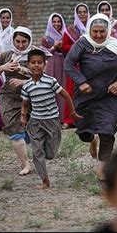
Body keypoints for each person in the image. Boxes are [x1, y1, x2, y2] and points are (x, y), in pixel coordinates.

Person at [64, 13, 117, 180]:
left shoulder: (116, 45)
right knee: (84, 131)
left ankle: (102, 168)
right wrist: (81, 81)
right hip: (85, 96)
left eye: (102, 31)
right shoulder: (82, 43)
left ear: (108, 30)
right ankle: (92, 141)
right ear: (89, 29)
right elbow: (68, 64)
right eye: (95, 31)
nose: (98, 35)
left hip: (108, 96)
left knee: (107, 130)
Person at [0, 26, 45, 176]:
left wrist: (23, 77)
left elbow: (44, 77)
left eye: (24, 41)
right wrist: (3, 67)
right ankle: (25, 164)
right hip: (9, 97)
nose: (20, 45)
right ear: (13, 40)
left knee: (34, 130)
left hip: (32, 96)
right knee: (14, 129)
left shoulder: (36, 55)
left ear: (29, 40)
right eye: (17, 41)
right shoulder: (7, 55)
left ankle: (39, 157)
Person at [21, 49, 82, 189]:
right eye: (33, 63)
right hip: (35, 122)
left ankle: (46, 153)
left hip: (52, 121)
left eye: (39, 63)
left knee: (50, 153)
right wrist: (23, 117)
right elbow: (24, 104)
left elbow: (66, 95)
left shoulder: (50, 81)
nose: (36, 65)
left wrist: (72, 112)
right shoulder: (27, 86)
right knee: (37, 153)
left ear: (45, 64)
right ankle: (45, 180)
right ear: (28, 65)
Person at [61, 3, 90, 129]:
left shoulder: (92, 27)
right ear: (76, 14)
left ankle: (86, 118)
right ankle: (69, 119)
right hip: (74, 65)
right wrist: (78, 45)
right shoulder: (70, 30)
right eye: (80, 12)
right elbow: (64, 46)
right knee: (71, 92)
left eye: (84, 12)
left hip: (89, 65)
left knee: (88, 92)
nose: (82, 14)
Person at [41, 13, 67, 123]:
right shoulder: (46, 37)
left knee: (63, 87)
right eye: (54, 21)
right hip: (52, 63)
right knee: (51, 87)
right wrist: (54, 46)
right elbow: (43, 52)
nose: (56, 24)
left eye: (58, 21)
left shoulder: (65, 35)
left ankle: (63, 117)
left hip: (64, 62)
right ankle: (52, 116)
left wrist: (62, 46)